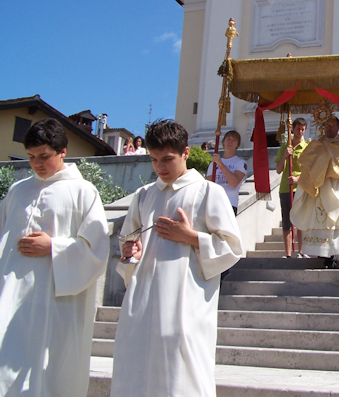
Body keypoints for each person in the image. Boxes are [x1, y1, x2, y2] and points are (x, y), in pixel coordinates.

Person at [111, 120, 243, 397]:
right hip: (143, 302)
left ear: (185, 153)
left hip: (186, 306)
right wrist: (129, 253)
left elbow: (232, 248)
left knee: (181, 376)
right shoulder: (143, 196)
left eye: (167, 159)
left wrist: (191, 236)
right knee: (135, 371)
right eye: (154, 160)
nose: (160, 167)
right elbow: (129, 244)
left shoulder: (209, 192)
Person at [0, 118, 109, 397]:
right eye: (31, 157)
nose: (37, 164)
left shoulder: (84, 192)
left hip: (56, 304)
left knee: (51, 372)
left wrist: (54, 247)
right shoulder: (17, 191)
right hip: (11, 300)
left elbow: (96, 250)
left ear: (62, 152)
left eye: (44, 156)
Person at [291, 115, 339, 268]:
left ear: (337, 127)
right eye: (326, 125)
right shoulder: (316, 145)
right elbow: (306, 166)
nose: (328, 128)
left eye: (331, 125)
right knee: (320, 220)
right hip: (320, 189)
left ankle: (333, 255)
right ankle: (322, 253)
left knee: (335, 222)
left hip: (337, 188)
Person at [275, 118, 308, 258]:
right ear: (293, 129)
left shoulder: (307, 148)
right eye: (298, 128)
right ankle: (288, 253)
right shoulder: (285, 146)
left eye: (302, 129)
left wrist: (297, 179)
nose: (300, 132)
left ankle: (301, 251)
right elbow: (277, 169)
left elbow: (309, 171)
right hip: (285, 189)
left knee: (300, 220)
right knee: (287, 222)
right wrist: (285, 156)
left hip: (300, 188)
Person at [206, 130, 247, 216]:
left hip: (229, 203)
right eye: (228, 139)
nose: (230, 142)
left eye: (234, 140)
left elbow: (234, 182)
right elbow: (208, 184)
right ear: (223, 142)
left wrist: (220, 164)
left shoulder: (240, 163)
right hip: (213, 203)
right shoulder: (213, 164)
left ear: (237, 145)